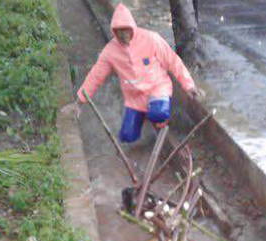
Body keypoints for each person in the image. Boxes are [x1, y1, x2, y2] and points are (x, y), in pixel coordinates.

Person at [66, 3, 201, 143]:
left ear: (132, 28)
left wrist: (189, 86)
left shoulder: (151, 39)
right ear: (114, 31)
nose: (123, 36)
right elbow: (95, 76)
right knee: (127, 137)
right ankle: (143, 115)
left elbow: (173, 62)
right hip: (134, 98)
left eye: (126, 31)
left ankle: (159, 117)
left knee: (158, 113)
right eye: (119, 32)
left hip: (157, 89)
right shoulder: (110, 51)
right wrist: (79, 102)